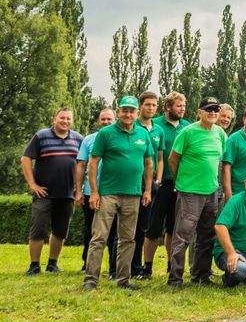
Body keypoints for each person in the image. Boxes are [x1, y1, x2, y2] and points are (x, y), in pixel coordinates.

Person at [84, 96, 154, 290]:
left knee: (128, 239)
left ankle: (123, 279)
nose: (128, 114)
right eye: (124, 110)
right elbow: (93, 162)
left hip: (133, 193)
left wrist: (147, 190)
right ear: (118, 112)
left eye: (131, 110)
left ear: (137, 113)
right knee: (99, 237)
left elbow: (149, 163)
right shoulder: (106, 134)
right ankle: (91, 280)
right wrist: (94, 193)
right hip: (108, 193)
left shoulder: (143, 133)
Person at [168, 96, 228, 287]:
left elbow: (221, 160)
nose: (212, 113)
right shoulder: (188, 132)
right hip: (190, 192)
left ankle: (200, 275)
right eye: (208, 109)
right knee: (183, 236)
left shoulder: (219, 133)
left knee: (207, 235)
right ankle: (175, 278)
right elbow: (173, 158)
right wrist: (180, 181)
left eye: (216, 110)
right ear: (200, 112)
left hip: (212, 192)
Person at [22, 106, 84, 276]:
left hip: (67, 194)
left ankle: (52, 264)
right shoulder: (41, 136)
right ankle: (34, 265)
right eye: (62, 118)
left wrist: (79, 187)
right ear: (54, 119)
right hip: (44, 193)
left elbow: (83, 164)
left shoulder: (78, 139)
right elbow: (26, 158)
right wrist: (32, 184)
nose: (65, 121)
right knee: (38, 230)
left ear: (72, 121)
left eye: (68, 119)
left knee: (60, 230)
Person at [142, 91, 188, 278]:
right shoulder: (156, 125)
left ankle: (171, 266)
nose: (182, 109)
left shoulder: (188, 127)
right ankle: (147, 267)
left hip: (180, 185)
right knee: (153, 228)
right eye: (178, 106)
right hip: (159, 183)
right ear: (168, 107)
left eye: (184, 106)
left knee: (173, 228)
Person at [76, 108, 116, 272]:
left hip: (112, 192)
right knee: (91, 230)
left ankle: (113, 267)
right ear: (99, 121)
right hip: (91, 192)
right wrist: (78, 191)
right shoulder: (89, 139)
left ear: (115, 120)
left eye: (109, 119)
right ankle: (88, 264)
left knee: (114, 232)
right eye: (103, 119)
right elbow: (81, 165)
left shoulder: (118, 138)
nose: (106, 122)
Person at [131, 92, 165, 279]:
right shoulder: (133, 126)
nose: (151, 108)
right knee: (129, 227)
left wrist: (158, 180)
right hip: (133, 182)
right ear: (140, 106)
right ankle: (119, 267)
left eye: (154, 105)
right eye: (147, 105)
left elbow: (160, 158)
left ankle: (138, 267)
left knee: (144, 227)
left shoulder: (158, 130)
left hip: (151, 183)